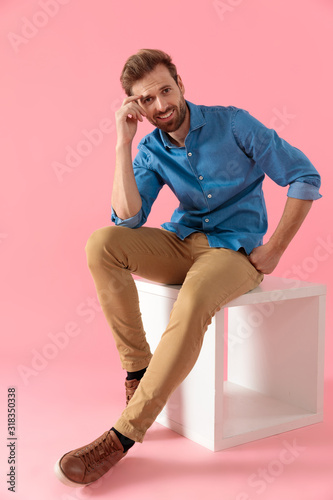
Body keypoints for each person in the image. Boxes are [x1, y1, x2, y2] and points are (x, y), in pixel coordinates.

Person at [54, 49, 322, 487]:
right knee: (102, 243)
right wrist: (122, 144)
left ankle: (122, 435)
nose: (160, 105)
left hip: (232, 253)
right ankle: (137, 371)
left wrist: (274, 249)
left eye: (165, 90)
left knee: (195, 298)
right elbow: (127, 219)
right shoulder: (148, 148)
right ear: (135, 106)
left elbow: (304, 176)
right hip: (181, 243)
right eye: (146, 99)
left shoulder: (234, 123)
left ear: (180, 84)